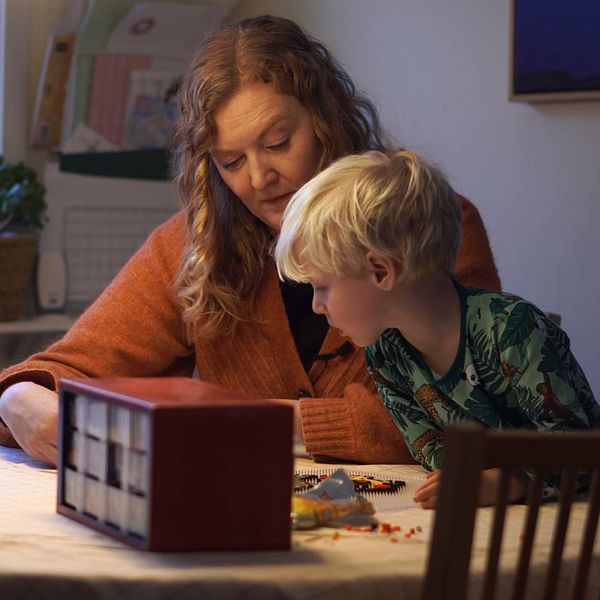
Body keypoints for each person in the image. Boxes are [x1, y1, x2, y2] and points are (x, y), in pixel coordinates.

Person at [0, 16, 500, 467]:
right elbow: (73, 365)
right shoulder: (192, 244)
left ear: (327, 121)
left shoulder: (431, 223)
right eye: (231, 162)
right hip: (250, 535)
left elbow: (473, 412)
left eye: (278, 143)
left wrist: (262, 421)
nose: (260, 178)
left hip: (417, 536)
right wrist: (18, 398)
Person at [274, 149, 599, 508]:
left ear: (381, 271)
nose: (317, 306)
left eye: (321, 287)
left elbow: (580, 456)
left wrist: (506, 482)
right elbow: (439, 459)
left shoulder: (510, 330)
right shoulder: (387, 355)